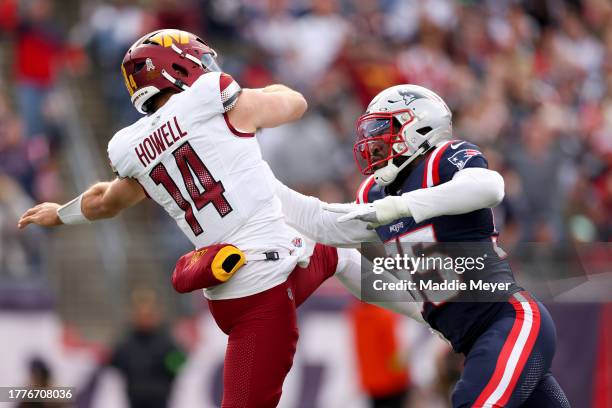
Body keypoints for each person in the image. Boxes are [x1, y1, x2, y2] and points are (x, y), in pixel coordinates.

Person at [17, 29, 423, 407]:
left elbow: (106, 201)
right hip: (264, 289)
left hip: (231, 289)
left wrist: (60, 213)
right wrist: (266, 88)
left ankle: (435, 314)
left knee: (338, 250)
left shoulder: (132, 145)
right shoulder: (210, 98)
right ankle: (440, 305)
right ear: (178, 67)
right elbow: (295, 104)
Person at [272, 85, 571, 407]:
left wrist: (401, 207)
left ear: (418, 126)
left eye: (382, 129)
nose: (371, 143)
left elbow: (490, 187)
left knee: (473, 401)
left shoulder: (441, 160)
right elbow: (324, 223)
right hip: (473, 341)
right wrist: (257, 181)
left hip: (510, 321)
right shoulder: (375, 194)